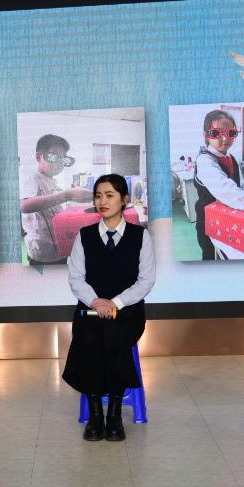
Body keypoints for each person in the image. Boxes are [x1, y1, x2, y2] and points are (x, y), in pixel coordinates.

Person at [63, 174, 155, 441]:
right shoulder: (84, 236)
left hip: (127, 311)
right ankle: (95, 413)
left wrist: (114, 303)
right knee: (89, 336)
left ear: (124, 199)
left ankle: (113, 413)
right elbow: (76, 279)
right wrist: (96, 302)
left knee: (114, 334)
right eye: (98, 196)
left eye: (109, 195)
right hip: (90, 309)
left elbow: (146, 281)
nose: (102, 201)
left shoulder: (141, 236)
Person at [193, 110, 244, 260]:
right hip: (208, 223)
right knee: (211, 256)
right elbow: (225, 189)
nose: (224, 138)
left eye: (230, 133)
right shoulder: (204, 160)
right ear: (206, 136)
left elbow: (241, 186)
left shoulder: (232, 158)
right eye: (216, 133)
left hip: (229, 220)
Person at [20, 134, 92, 265]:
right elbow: (24, 205)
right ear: (39, 157)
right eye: (53, 157)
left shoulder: (53, 182)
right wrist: (67, 195)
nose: (59, 163)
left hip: (58, 249)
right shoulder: (33, 179)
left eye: (63, 158)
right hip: (42, 253)